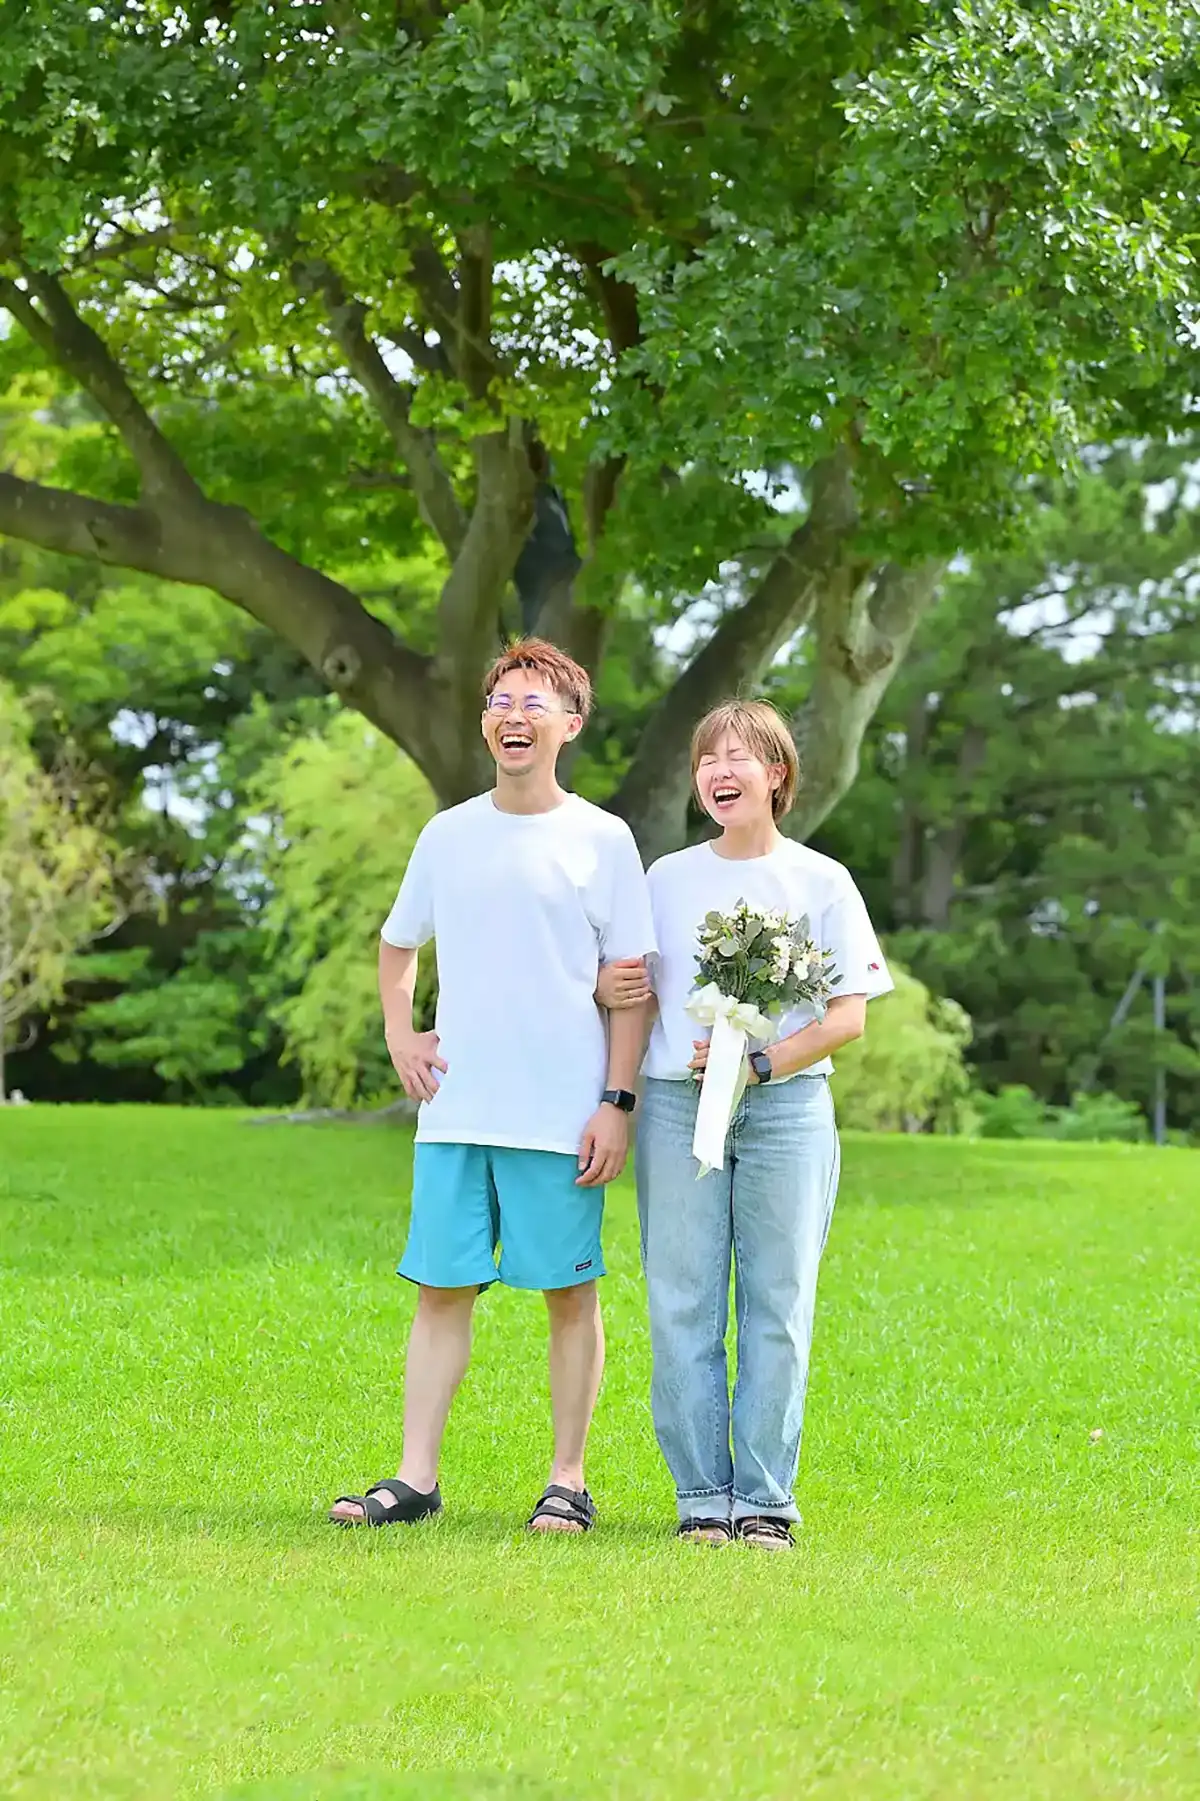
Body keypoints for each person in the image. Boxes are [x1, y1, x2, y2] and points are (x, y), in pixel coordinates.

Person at [330, 639, 655, 1534]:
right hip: (456, 1110)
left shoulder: (604, 839)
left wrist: (616, 1103)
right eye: (500, 700)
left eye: (535, 703)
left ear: (572, 725)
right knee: (438, 1290)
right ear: (485, 721)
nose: (514, 715)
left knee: (568, 1295)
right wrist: (402, 1033)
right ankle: (415, 1477)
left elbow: (631, 986)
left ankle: (568, 1478)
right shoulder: (449, 833)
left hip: (562, 1113)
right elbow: (399, 944)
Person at [598, 699, 892, 1551]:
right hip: (678, 1107)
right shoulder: (667, 878)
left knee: (778, 1302)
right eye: (706, 761)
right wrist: (605, 994)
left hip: (787, 1112)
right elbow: (634, 990)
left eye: (739, 757)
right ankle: (701, 1496)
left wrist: (762, 1062)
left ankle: (765, 1497)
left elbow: (848, 1016)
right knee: (683, 1302)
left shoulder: (822, 880)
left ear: (779, 774)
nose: (719, 773)